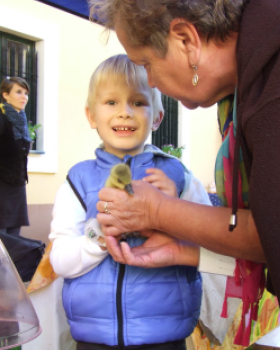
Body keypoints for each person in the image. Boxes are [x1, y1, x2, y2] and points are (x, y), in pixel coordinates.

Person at [87, 0, 280, 349]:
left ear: (185, 40)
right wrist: (186, 251)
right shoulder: (263, 75)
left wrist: (158, 211)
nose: (149, 80)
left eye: (146, 63)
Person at [49, 54, 213, 350]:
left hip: (166, 335)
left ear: (157, 117)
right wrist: (101, 231)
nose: (124, 112)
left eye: (138, 102)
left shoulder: (179, 176)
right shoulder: (78, 180)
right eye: (111, 102)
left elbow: (215, 246)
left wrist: (174, 210)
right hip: (94, 338)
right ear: (91, 115)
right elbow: (59, 261)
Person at [0, 77, 31, 237]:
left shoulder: (20, 120)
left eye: (25, 93)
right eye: (18, 92)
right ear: (5, 95)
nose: (23, 97)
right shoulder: (2, 118)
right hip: (2, 186)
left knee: (14, 238)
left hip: (17, 185)